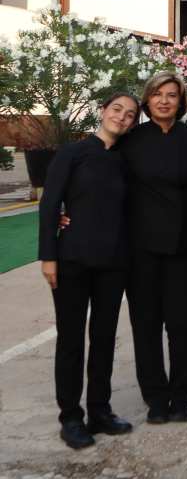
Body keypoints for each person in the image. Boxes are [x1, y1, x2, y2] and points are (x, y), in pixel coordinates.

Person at [39, 93, 140, 450]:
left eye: (130, 115)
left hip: (113, 263)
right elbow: (50, 204)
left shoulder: (126, 160)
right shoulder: (73, 153)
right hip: (72, 261)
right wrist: (48, 256)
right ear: (102, 112)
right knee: (70, 341)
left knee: (103, 339)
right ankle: (70, 417)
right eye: (117, 110)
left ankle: (100, 410)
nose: (122, 118)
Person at [121, 72, 187, 425]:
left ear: (181, 101)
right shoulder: (129, 141)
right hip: (138, 248)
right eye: (157, 94)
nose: (163, 100)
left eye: (171, 95)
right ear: (147, 100)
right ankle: (155, 398)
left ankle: (181, 396)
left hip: (182, 248)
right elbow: (104, 185)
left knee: (179, 324)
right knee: (145, 325)